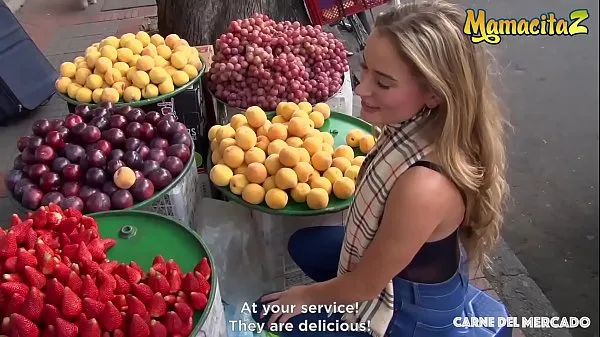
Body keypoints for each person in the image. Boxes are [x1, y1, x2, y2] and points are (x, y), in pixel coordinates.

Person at [252, 1, 509, 336]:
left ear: (434, 93)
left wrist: (305, 295)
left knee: (264, 311)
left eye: (383, 83)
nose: (361, 89)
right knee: (304, 244)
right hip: (397, 270)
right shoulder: (423, 123)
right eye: (365, 69)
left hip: (412, 312)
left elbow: (364, 286)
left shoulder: (424, 186)